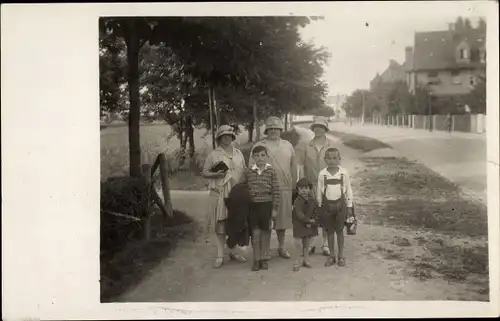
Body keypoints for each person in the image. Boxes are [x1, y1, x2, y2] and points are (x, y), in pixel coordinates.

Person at [249, 116, 298, 260]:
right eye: (270, 129)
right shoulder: (259, 145)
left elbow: (293, 166)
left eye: (276, 129)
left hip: (284, 187)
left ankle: (281, 247)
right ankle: (266, 249)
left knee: (282, 220)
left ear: (281, 130)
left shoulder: (288, 145)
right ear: (266, 130)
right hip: (264, 189)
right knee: (266, 220)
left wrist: (294, 185)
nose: (274, 131)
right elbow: (251, 167)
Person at [202, 125, 247, 268]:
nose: (227, 138)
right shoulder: (213, 155)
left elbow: (244, 171)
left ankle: (233, 251)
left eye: (229, 135)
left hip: (236, 193)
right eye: (223, 136)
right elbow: (204, 173)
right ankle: (220, 255)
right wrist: (216, 174)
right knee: (221, 223)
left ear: (232, 137)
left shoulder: (238, 153)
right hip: (221, 191)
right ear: (219, 138)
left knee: (236, 223)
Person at [297, 116, 336, 256]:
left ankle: (325, 244)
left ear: (326, 129)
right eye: (316, 127)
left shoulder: (331, 145)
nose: (318, 129)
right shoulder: (306, 146)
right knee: (311, 213)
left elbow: (336, 166)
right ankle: (311, 243)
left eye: (321, 127)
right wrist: (302, 184)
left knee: (326, 214)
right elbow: (301, 165)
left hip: (327, 185)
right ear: (313, 129)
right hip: (311, 185)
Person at [245, 145, 280, 271]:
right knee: (255, 233)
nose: (260, 158)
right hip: (253, 206)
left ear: (267, 157)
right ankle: (256, 259)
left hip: (266, 205)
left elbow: (276, 190)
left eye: (263, 155)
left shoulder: (271, 171)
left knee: (266, 232)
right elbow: (244, 188)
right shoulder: (249, 171)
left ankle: (264, 258)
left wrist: (275, 208)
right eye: (257, 156)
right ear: (253, 157)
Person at [316, 148, 353, 267]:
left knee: (340, 231)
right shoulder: (322, 174)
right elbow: (319, 191)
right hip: (327, 206)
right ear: (325, 159)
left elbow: (348, 189)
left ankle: (341, 255)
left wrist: (349, 206)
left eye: (334, 158)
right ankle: (332, 255)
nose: (331, 160)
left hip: (341, 205)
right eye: (329, 158)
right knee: (330, 231)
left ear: (339, 159)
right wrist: (319, 205)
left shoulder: (344, 172)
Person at [292, 178, 319, 272]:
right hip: (299, 224)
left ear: (310, 189)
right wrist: (308, 221)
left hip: (309, 224)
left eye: (306, 188)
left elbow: (316, 211)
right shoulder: (297, 201)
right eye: (301, 188)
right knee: (298, 243)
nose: (304, 190)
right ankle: (297, 261)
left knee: (306, 244)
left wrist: (314, 220)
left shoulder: (312, 200)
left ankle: (306, 260)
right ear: (298, 190)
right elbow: (299, 214)